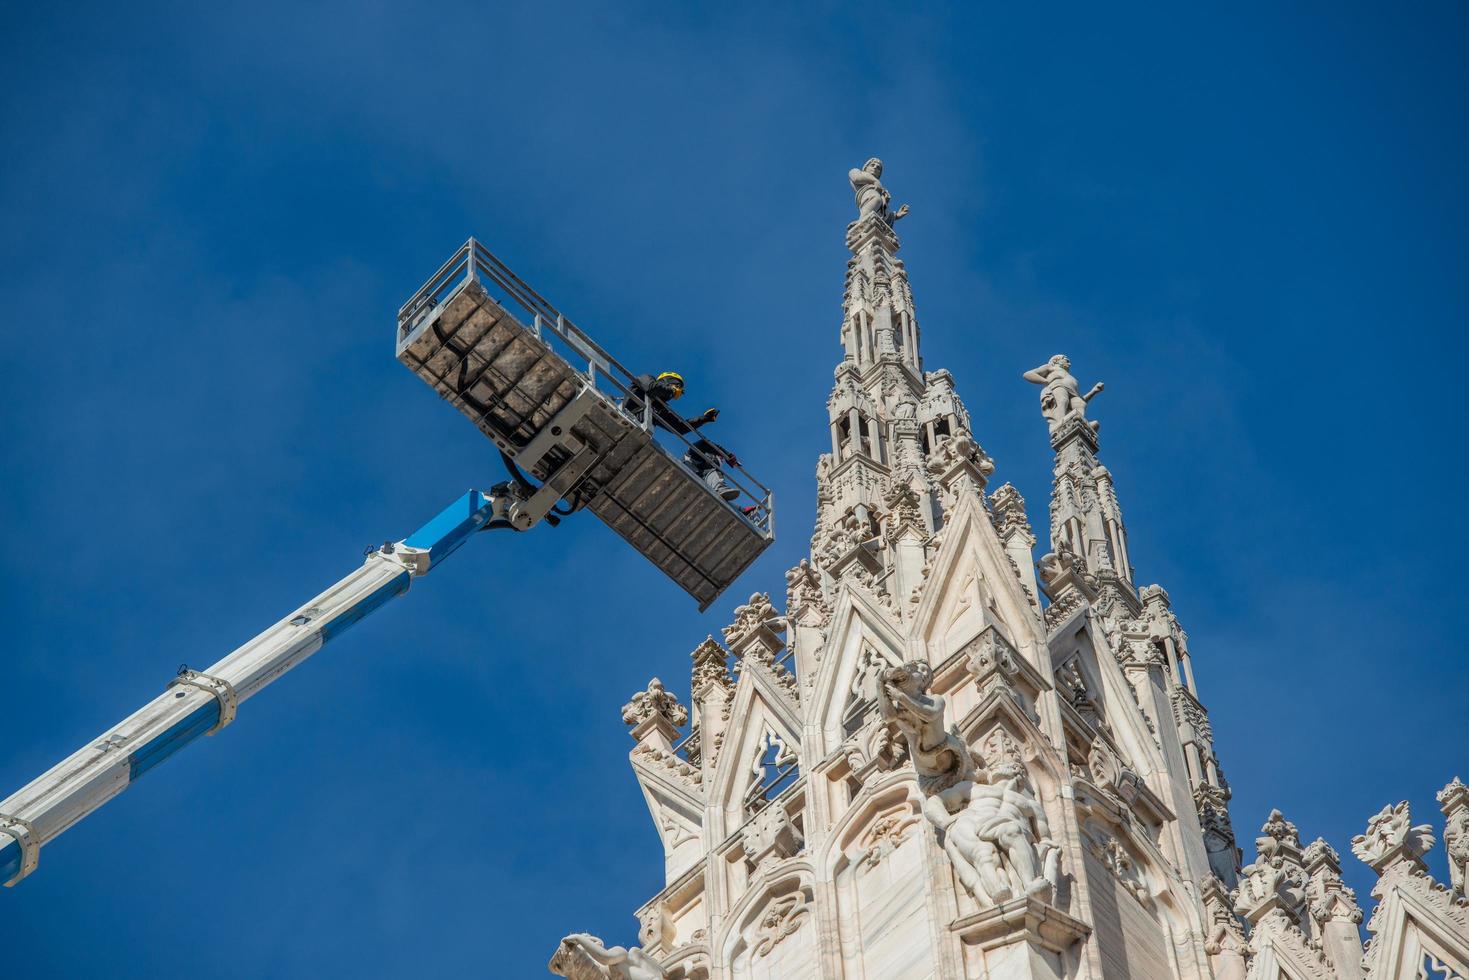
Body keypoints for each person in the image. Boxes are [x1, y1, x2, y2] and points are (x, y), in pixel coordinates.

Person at [624, 371, 743, 503]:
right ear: (667, 380)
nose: (679, 392)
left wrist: (703, 419)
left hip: (637, 431)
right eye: (677, 386)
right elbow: (651, 388)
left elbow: (679, 427)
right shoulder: (647, 379)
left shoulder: (659, 407)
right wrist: (671, 391)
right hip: (625, 419)